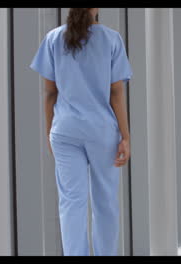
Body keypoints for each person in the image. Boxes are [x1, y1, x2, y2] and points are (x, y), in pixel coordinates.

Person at [30, 8, 132, 255]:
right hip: (102, 131)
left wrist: (49, 133)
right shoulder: (111, 39)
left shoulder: (53, 38)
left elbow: (50, 94)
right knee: (105, 202)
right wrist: (126, 137)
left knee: (71, 203)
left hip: (64, 130)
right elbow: (116, 93)